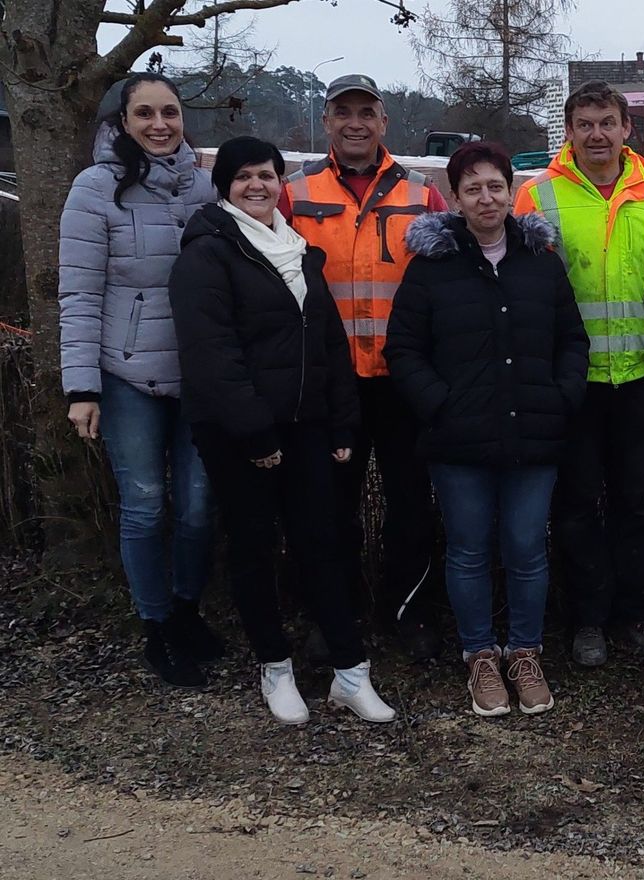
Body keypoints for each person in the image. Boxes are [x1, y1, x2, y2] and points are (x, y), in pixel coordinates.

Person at [169, 136, 395, 726]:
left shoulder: (297, 249)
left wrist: (342, 418)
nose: (257, 186)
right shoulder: (208, 252)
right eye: (243, 176)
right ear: (225, 185)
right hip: (238, 432)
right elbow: (210, 354)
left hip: (306, 426)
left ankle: (350, 671)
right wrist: (254, 433)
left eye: (266, 175)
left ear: (280, 182)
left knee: (322, 539)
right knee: (253, 547)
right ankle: (275, 666)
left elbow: (326, 343)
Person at [385, 142, 589, 717]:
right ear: (456, 198)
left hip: (535, 433)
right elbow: (404, 349)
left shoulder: (540, 259)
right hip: (459, 439)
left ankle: (525, 651)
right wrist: (439, 405)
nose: (486, 197)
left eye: (495, 185)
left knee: (526, 547)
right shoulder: (433, 267)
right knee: (469, 550)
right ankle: (479, 655)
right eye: (472, 188)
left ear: (511, 191)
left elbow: (572, 339)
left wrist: (561, 395)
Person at [513, 81, 644, 667]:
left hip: (637, 377)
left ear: (625, 128)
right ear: (568, 130)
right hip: (572, 382)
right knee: (578, 503)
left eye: (606, 122)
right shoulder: (538, 196)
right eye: (584, 124)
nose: (596, 135)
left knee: (636, 502)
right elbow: (521, 292)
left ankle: (634, 615)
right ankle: (587, 621)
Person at [58, 72, 221, 689]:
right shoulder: (96, 189)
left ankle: (186, 609)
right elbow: (77, 291)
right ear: (122, 122)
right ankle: (155, 625)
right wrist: (82, 388)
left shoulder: (205, 188)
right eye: (145, 113)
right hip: (126, 373)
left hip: (200, 374)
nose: (159, 124)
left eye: (170, 112)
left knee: (202, 506)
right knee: (147, 503)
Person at [280, 74, 449, 661]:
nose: (355, 122)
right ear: (326, 121)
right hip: (328, 382)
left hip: (403, 380)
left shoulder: (423, 195)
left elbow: (447, 284)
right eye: (342, 112)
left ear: (384, 122)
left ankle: (409, 613)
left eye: (367, 112)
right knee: (329, 507)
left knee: (410, 503)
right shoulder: (294, 193)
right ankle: (334, 614)